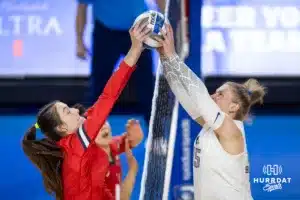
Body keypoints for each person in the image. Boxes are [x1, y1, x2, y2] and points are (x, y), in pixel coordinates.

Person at [22, 21, 150, 200]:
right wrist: (135, 50)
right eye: (67, 112)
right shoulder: (77, 143)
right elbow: (109, 95)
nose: (75, 111)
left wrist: (127, 141)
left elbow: (104, 145)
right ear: (62, 129)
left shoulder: (78, 141)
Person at [155, 24, 266, 200]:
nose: (214, 96)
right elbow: (185, 96)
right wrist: (164, 59)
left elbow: (200, 96)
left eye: (220, 94)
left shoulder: (232, 131)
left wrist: (173, 57)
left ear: (234, 107)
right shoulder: (211, 126)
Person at [75, 0, 165, 124]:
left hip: (139, 30)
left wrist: (166, 29)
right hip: (106, 32)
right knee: (99, 86)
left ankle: (156, 130)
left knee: (146, 86)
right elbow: (82, 6)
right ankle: (90, 131)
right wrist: (79, 41)